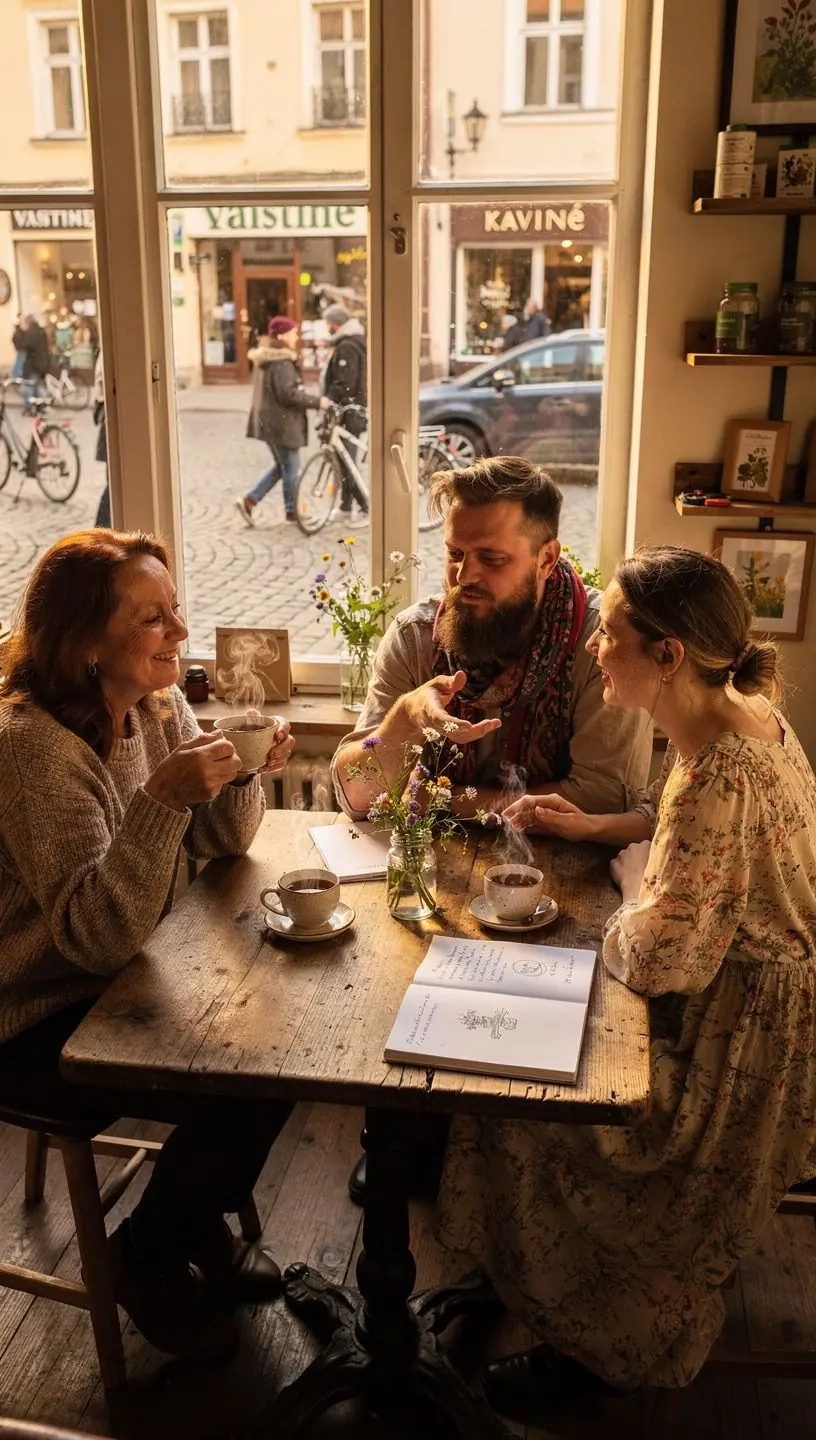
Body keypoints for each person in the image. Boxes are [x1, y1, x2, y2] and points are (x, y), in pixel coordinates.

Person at [434, 546, 816, 1423]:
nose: (596, 648)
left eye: (610, 634)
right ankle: (513, 1279)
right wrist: (599, 826)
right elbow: (691, 843)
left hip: (738, 1054)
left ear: (668, 655)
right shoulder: (744, 717)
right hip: (764, 1015)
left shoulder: (719, 768)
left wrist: (616, 908)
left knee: (520, 1100)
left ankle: (604, 1345)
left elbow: (667, 957)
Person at [0, 529, 298, 1359]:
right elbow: (93, 937)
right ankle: (152, 1250)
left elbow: (229, 845)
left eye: (176, 609)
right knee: (246, 1079)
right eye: (152, 618)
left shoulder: (159, 704)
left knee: (278, 1046)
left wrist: (240, 771)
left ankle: (187, 1222)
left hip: (131, 970)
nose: (178, 631)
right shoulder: (30, 748)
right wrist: (163, 804)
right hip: (35, 1008)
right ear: (86, 643)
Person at [331, 457, 653, 1202]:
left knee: (532, 1073)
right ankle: (405, 1137)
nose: (463, 576)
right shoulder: (418, 638)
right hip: (432, 888)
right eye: (453, 554)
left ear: (547, 559)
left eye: (491, 559)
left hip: (564, 889)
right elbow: (352, 792)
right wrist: (402, 723)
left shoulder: (600, 649)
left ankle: (498, 1184)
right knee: (387, 989)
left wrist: (443, 797)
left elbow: (598, 792)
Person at [235, 316, 328, 526]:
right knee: (291, 469)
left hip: (271, 422)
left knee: (282, 466)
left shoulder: (267, 359)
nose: (296, 336)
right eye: (293, 332)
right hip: (282, 424)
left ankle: (250, 501)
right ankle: (292, 512)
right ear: (282, 335)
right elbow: (289, 394)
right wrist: (318, 402)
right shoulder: (281, 361)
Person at [321, 303, 368, 517]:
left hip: (349, 411)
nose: (326, 327)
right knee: (345, 459)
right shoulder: (350, 342)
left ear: (336, 324)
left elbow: (344, 382)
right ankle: (346, 506)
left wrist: (329, 399)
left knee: (347, 461)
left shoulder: (347, 347)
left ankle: (365, 506)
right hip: (351, 410)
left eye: (328, 323)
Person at [14, 313, 50, 415]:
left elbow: (23, 346)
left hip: (33, 366)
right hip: (42, 364)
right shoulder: (41, 331)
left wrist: (20, 331)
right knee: (35, 387)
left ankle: (28, 408)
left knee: (28, 388)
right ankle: (40, 407)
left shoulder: (31, 333)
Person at [92, 352, 111, 528]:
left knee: (112, 483)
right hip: (111, 417)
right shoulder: (109, 351)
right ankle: (101, 529)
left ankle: (102, 528)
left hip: (109, 415)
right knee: (113, 484)